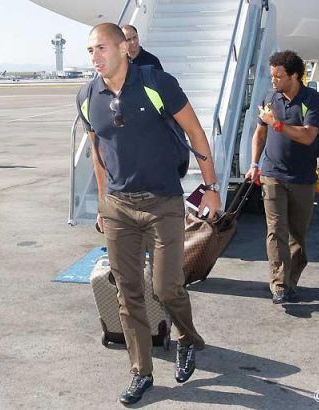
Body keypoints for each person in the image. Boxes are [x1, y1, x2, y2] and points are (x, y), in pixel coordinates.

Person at [77, 23, 221, 405]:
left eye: (101, 48)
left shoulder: (157, 83)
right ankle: (141, 372)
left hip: (162, 203)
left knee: (166, 287)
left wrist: (211, 188)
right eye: (90, 50)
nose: (95, 57)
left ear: (123, 48)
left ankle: (187, 337)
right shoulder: (87, 96)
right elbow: (98, 152)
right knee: (128, 293)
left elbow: (196, 133)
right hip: (119, 207)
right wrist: (103, 203)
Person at [245, 50, 319, 305]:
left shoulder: (312, 100)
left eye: (278, 76)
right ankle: (279, 285)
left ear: (295, 76)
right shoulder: (270, 97)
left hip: (302, 177)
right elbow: (260, 133)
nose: (274, 81)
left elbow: (308, 136)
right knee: (276, 230)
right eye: (272, 76)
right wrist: (254, 163)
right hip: (272, 175)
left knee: (296, 236)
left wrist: (277, 124)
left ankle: (289, 282)